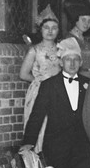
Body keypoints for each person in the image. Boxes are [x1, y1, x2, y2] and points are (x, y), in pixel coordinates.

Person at [20, 41, 90, 168]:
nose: (72, 63)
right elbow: (37, 115)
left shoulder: (88, 84)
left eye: (76, 59)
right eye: (68, 59)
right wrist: (28, 142)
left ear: (81, 62)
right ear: (61, 62)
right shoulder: (49, 85)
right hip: (56, 147)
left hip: (81, 148)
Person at [19, 11, 65, 149]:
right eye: (46, 28)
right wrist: (39, 81)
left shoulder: (62, 50)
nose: (50, 31)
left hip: (59, 91)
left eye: (54, 28)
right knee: (39, 123)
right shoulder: (35, 50)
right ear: (41, 30)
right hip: (40, 91)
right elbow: (23, 74)